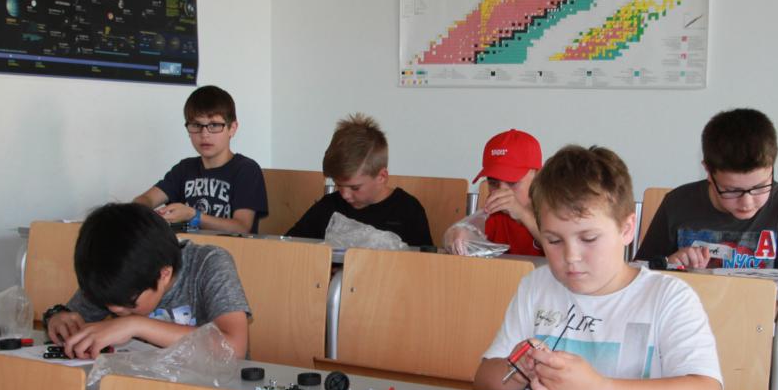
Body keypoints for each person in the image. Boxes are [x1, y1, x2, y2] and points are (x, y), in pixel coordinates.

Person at [474, 145, 722, 390]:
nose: (571, 256)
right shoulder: (536, 286)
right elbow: (484, 382)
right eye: (553, 240)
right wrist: (517, 369)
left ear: (626, 229)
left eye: (589, 239)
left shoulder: (668, 297)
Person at [634, 107, 778, 375]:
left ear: (772, 168)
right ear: (708, 172)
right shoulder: (678, 203)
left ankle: (714, 372)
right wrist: (670, 263)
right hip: (688, 323)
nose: (747, 202)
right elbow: (637, 281)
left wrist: (744, 323)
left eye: (760, 187)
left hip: (761, 326)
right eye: (731, 191)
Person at [43, 202, 251, 359]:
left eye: (130, 304)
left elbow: (234, 347)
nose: (117, 310)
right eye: (108, 305)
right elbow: (70, 317)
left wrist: (135, 325)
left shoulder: (209, 263)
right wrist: (58, 318)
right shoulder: (113, 277)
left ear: (164, 274)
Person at [134, 85, 268, 235]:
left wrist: (193, 216)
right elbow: (145, 199)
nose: (204, 134)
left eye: (214, 125)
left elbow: (242, 227)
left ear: (232, 128)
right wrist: (148, 213)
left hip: (233, 249)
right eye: (196, 125)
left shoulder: (246, 170)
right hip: (189, 248)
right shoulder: (184, 168)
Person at [286, 113, 432, 246]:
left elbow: (424, 262)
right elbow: (289, 246)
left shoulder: (408, 210)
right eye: (338, 185)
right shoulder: (328, 207)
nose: (345, 195)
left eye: (354, 188)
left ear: (381, 177)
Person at [446, 129, 544, 256]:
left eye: (512, 181)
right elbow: (464, 232)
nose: (502, 191)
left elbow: (559, 247)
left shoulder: (554, 210)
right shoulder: (497, 215)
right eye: (493, 183)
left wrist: (523, 214)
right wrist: (458, 235)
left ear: (538, 177)